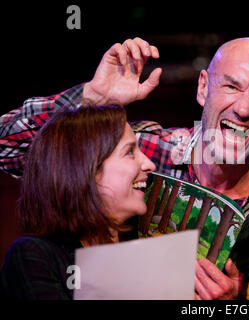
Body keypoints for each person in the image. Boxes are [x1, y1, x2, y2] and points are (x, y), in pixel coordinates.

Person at [0, 37, 249, 299]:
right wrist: (92, 96)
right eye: (231, 86)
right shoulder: (143, 148)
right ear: (203, 88)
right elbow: (10, 148)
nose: (243, 108)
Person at [0, 105, 156, 299]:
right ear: (85, 170)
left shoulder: (143, 252)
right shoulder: (37, 257)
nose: (150, 164)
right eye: (129, 152)